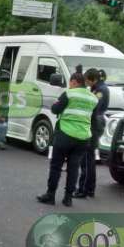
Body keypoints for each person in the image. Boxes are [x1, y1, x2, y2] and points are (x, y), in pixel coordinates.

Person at [36, 65, 98, 207]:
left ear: (75, 82)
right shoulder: (94, 98)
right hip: (83, 138)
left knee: (56, 166)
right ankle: (68, 198)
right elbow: (93, 117)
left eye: (71, 82)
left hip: (65, 133)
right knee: (74, 167)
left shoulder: (69, 94)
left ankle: (50, 195)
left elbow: (55, 109)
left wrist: (56, 104)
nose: (70, 85)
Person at [74, 69, 110, 198]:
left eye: (87, 80)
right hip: (95, 122)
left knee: (87, 158)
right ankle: (88, 189)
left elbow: (94, 107)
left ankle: (85, 189)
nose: (87, 83)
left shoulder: (100, 90)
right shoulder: (97, 88)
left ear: (93, 79)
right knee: (88, 158)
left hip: (95, 123)